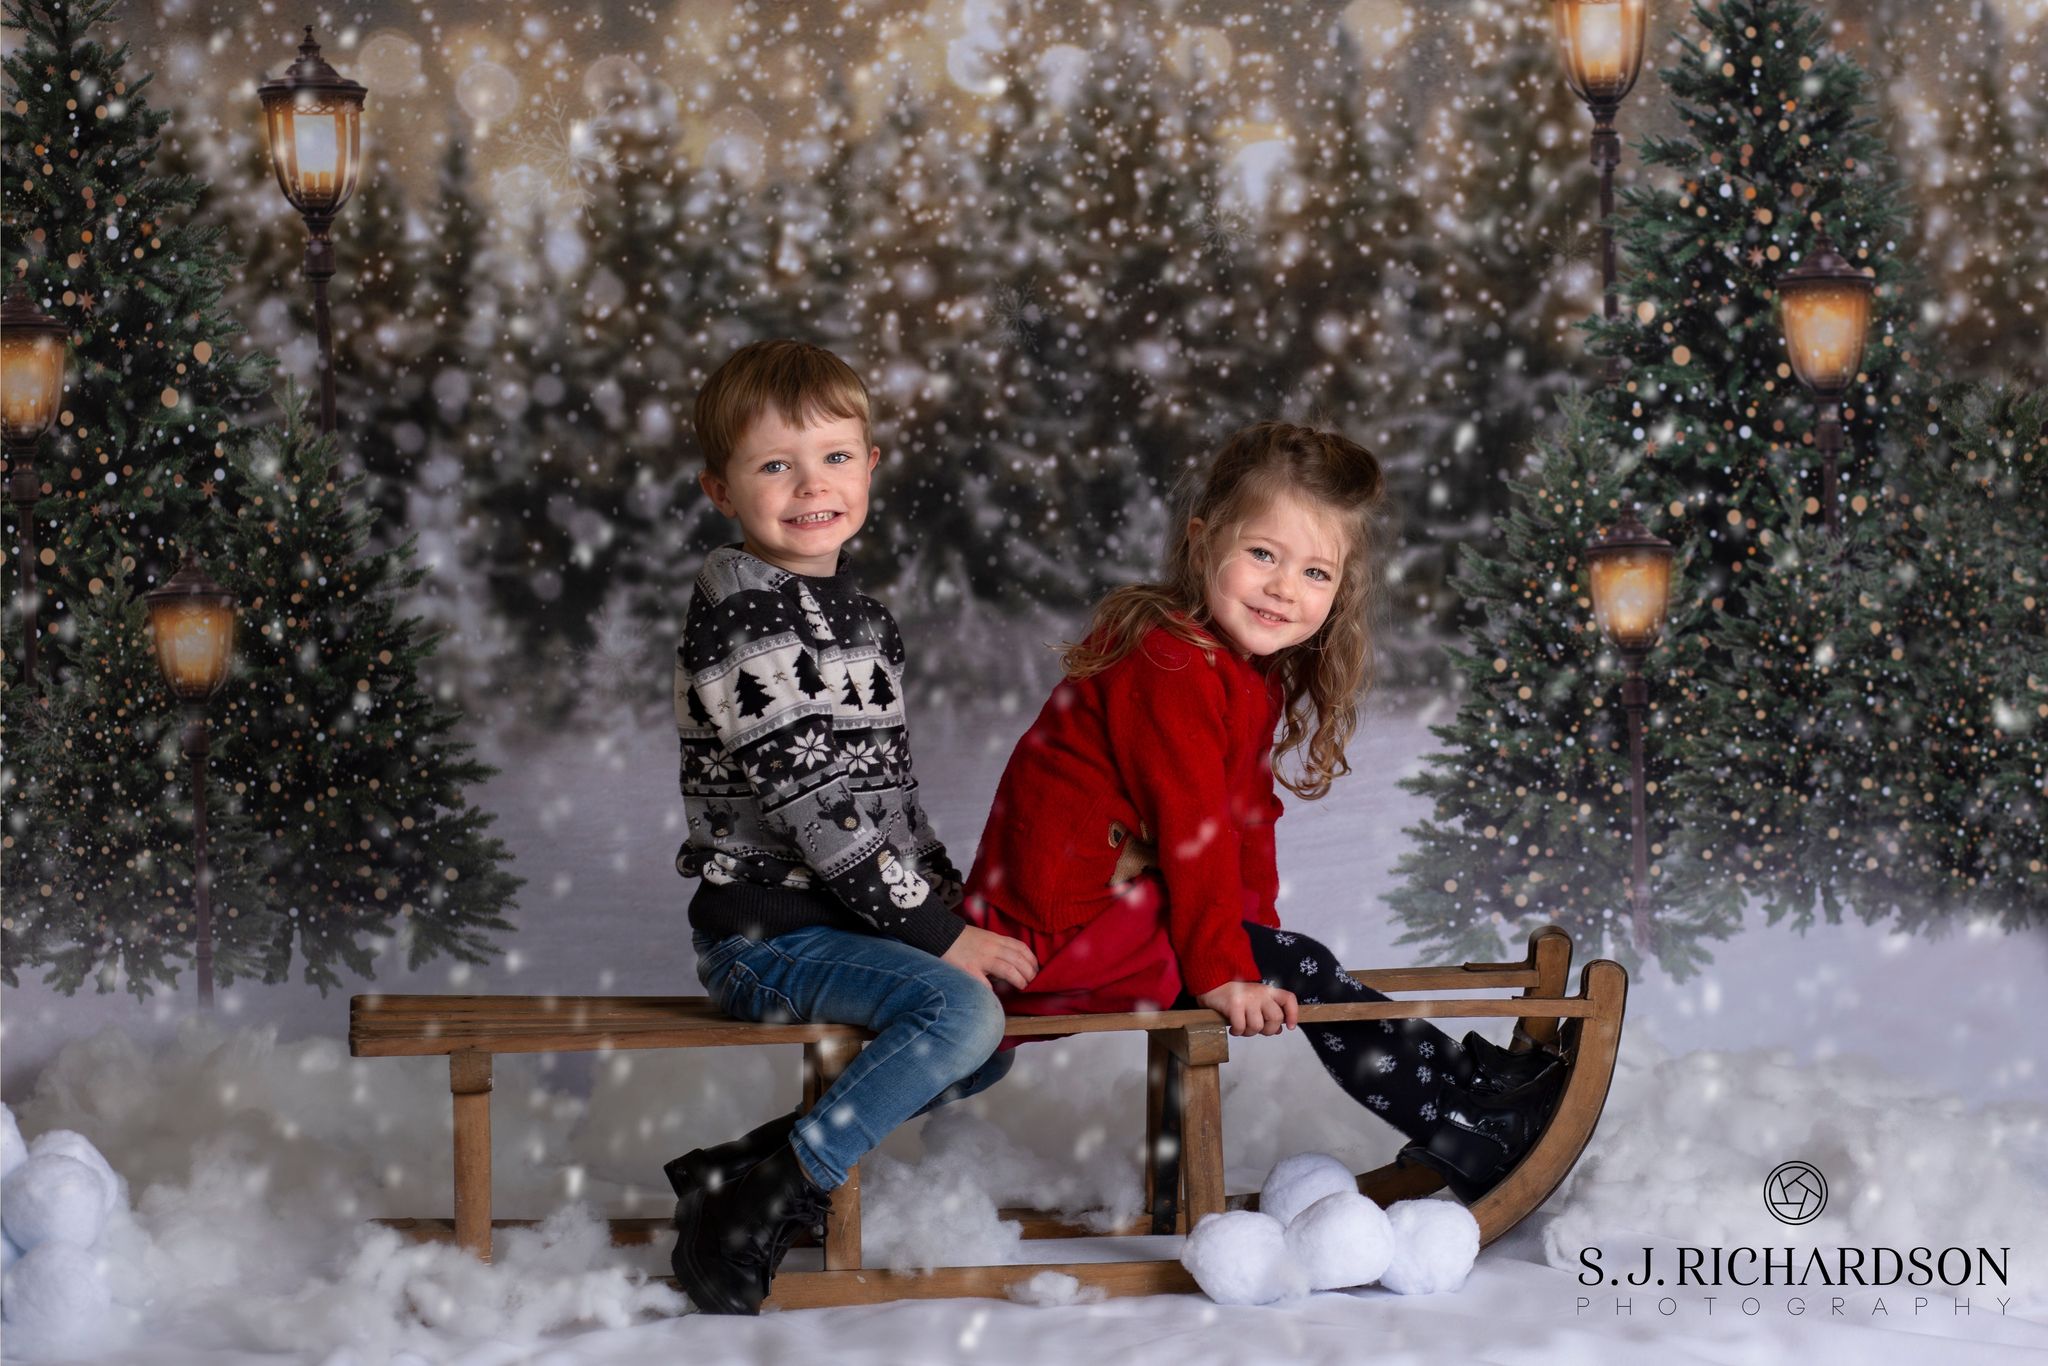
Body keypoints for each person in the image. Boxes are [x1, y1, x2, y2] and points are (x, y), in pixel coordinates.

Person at [962, 421, 1564, 1204]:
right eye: (1263, 555)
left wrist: (1256, 945)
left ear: (1340, 587)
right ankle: (1464, 1126)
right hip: (1052, 932)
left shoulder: (1245, 672)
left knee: (1296, 960)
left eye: (1315, 571)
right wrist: (1227, 970)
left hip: (1113, 909)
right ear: (1202, 542)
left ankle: (1468, 1093)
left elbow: (1246, 817)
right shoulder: (1171, 660)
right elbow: (1194, 828)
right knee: (1301, 965)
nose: (1285, 587)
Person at [665, 340, 1038, 1314]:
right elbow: (812, 806)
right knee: (960, 1012)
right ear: (720, 487)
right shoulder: (739, 611)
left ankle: (743, 1170)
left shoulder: (863, 619)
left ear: (869, 466)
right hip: (765, 936)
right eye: (773, 465)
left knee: (994, 1033)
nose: (809, 485)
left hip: (850, 926)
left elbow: (892, 799)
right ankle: (761, 1208)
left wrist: (956, 905)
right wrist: (941, 936)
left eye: (833, 456)